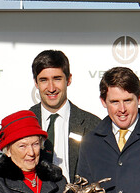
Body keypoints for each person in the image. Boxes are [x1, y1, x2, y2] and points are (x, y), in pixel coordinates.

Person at [29, 50, 101, 182]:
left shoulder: (92, 124)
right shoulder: (24, 123)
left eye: (57, 79)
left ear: (69, 79)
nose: (51, 88)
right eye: (44, 80)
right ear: (36, 83)